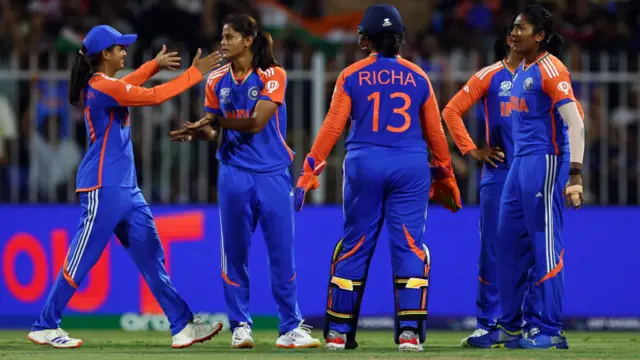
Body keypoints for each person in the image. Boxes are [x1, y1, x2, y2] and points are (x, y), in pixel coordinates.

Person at [27, 25, 223, 349]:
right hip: (102, 187)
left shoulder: (106, 85)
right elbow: (155, 96)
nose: (124, 52)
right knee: (81, 259)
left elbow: (130, 84)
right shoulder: (102, 87)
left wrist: (153, 67)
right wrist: (193, 74)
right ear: (105, 54)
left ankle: (182, 325)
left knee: (151, 258)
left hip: (127, 190)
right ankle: (45, 325)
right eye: (119, 48)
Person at [293, 5, 460, 352]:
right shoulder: (418, 77)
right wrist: (445, 175)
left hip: (364, 164)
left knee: (354, 244)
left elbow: (333, 126)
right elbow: (436, 133)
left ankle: (338, 333)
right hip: (410, 166)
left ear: (365, 39)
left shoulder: (351, 75)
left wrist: (310, 169)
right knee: (411, 245)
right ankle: (409, 334)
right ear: (399, 40)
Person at [169, 15, 321, 349]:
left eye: (229, 36)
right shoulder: (216, 80)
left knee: (282, 254)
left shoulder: (273, 74)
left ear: (248, 39)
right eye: (222, 37)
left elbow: (255, 122)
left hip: (273, 174)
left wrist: (214, 120)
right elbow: (216, 130)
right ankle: (240, 326)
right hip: (233, 174)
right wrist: (200, 132)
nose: (222, 42)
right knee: (234, 254)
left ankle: (290, 328)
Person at [442, 25, 585, 348]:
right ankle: (489, 323)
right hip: (499, 172)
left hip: (535, 168)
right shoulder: (490, 75)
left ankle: (535, 324)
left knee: (536, 250)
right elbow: (451, 110)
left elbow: (573, 113)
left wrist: (571, 167)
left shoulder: (542, 71)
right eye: (514, 31)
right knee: (495, 249)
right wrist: (471, 150)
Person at [496, 5, 584, 349]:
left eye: (522, 28)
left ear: (540, 36)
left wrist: (574, 176)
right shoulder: (522, 69)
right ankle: (515, 325)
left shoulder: (551, 68)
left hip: (546, 162)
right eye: (513, 27)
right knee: (508, 242)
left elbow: (576, 123)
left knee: (544, 244)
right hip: (519, 164)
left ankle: (550, 330)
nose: (514, 33)